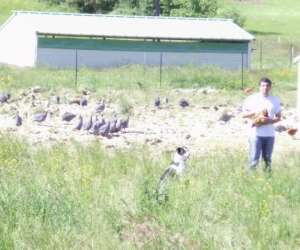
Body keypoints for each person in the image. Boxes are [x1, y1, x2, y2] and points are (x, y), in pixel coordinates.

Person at [242, 77, 282, 171]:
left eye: (267, 85)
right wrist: (257, 113)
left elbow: (279, 117)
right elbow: (244, 115)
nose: (265, 87)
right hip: (255, 134)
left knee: (267, 160)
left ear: (270, 87)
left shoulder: (275, 99)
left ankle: (267, 180)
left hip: (270, 134)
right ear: (259, 87)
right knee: (254, 159)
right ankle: (250, 180)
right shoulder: (251, 99)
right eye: (263, 85)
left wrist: (268, 121)